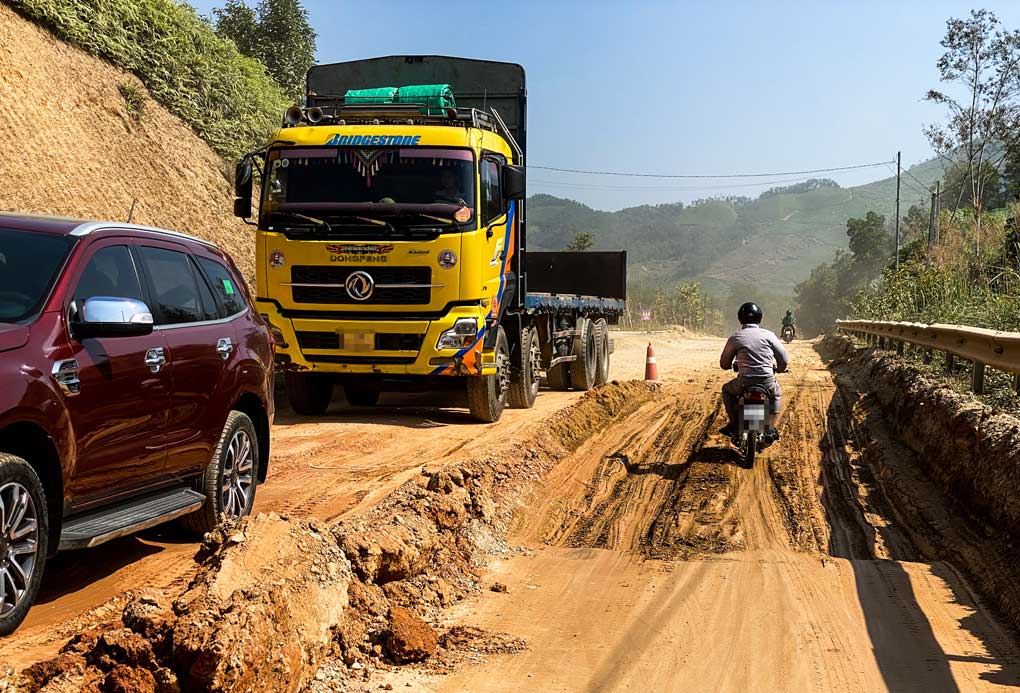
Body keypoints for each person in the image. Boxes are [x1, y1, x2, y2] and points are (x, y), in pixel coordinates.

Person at [719, 302, 789, 444]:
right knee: (776, 395)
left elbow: (724, 363)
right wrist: (780, 368)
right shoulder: (769, 335)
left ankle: (733, 423)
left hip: (744, 382)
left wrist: (729, 366)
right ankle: (770, 427)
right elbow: (783, 359)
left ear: (740, 319)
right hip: (767, 381)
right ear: (760, 318)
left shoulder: (735, 337)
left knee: (726, 390)